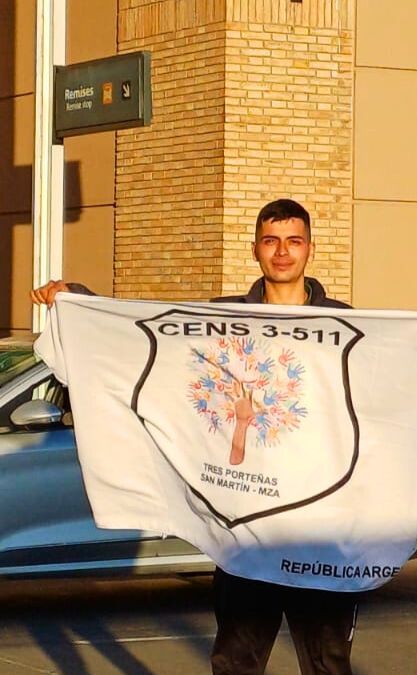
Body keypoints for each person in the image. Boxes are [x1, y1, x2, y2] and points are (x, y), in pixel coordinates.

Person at [32, 199, 358, 675]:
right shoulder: (221, 322)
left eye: (293, 241)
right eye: (271, 241)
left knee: (328, 664)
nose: (282, 252)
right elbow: (146, 333)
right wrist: (78, 298)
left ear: (310, 249)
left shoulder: (346, 324)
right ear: (255, 250)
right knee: (235, 663)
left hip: (319, 527)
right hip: (245, 526)